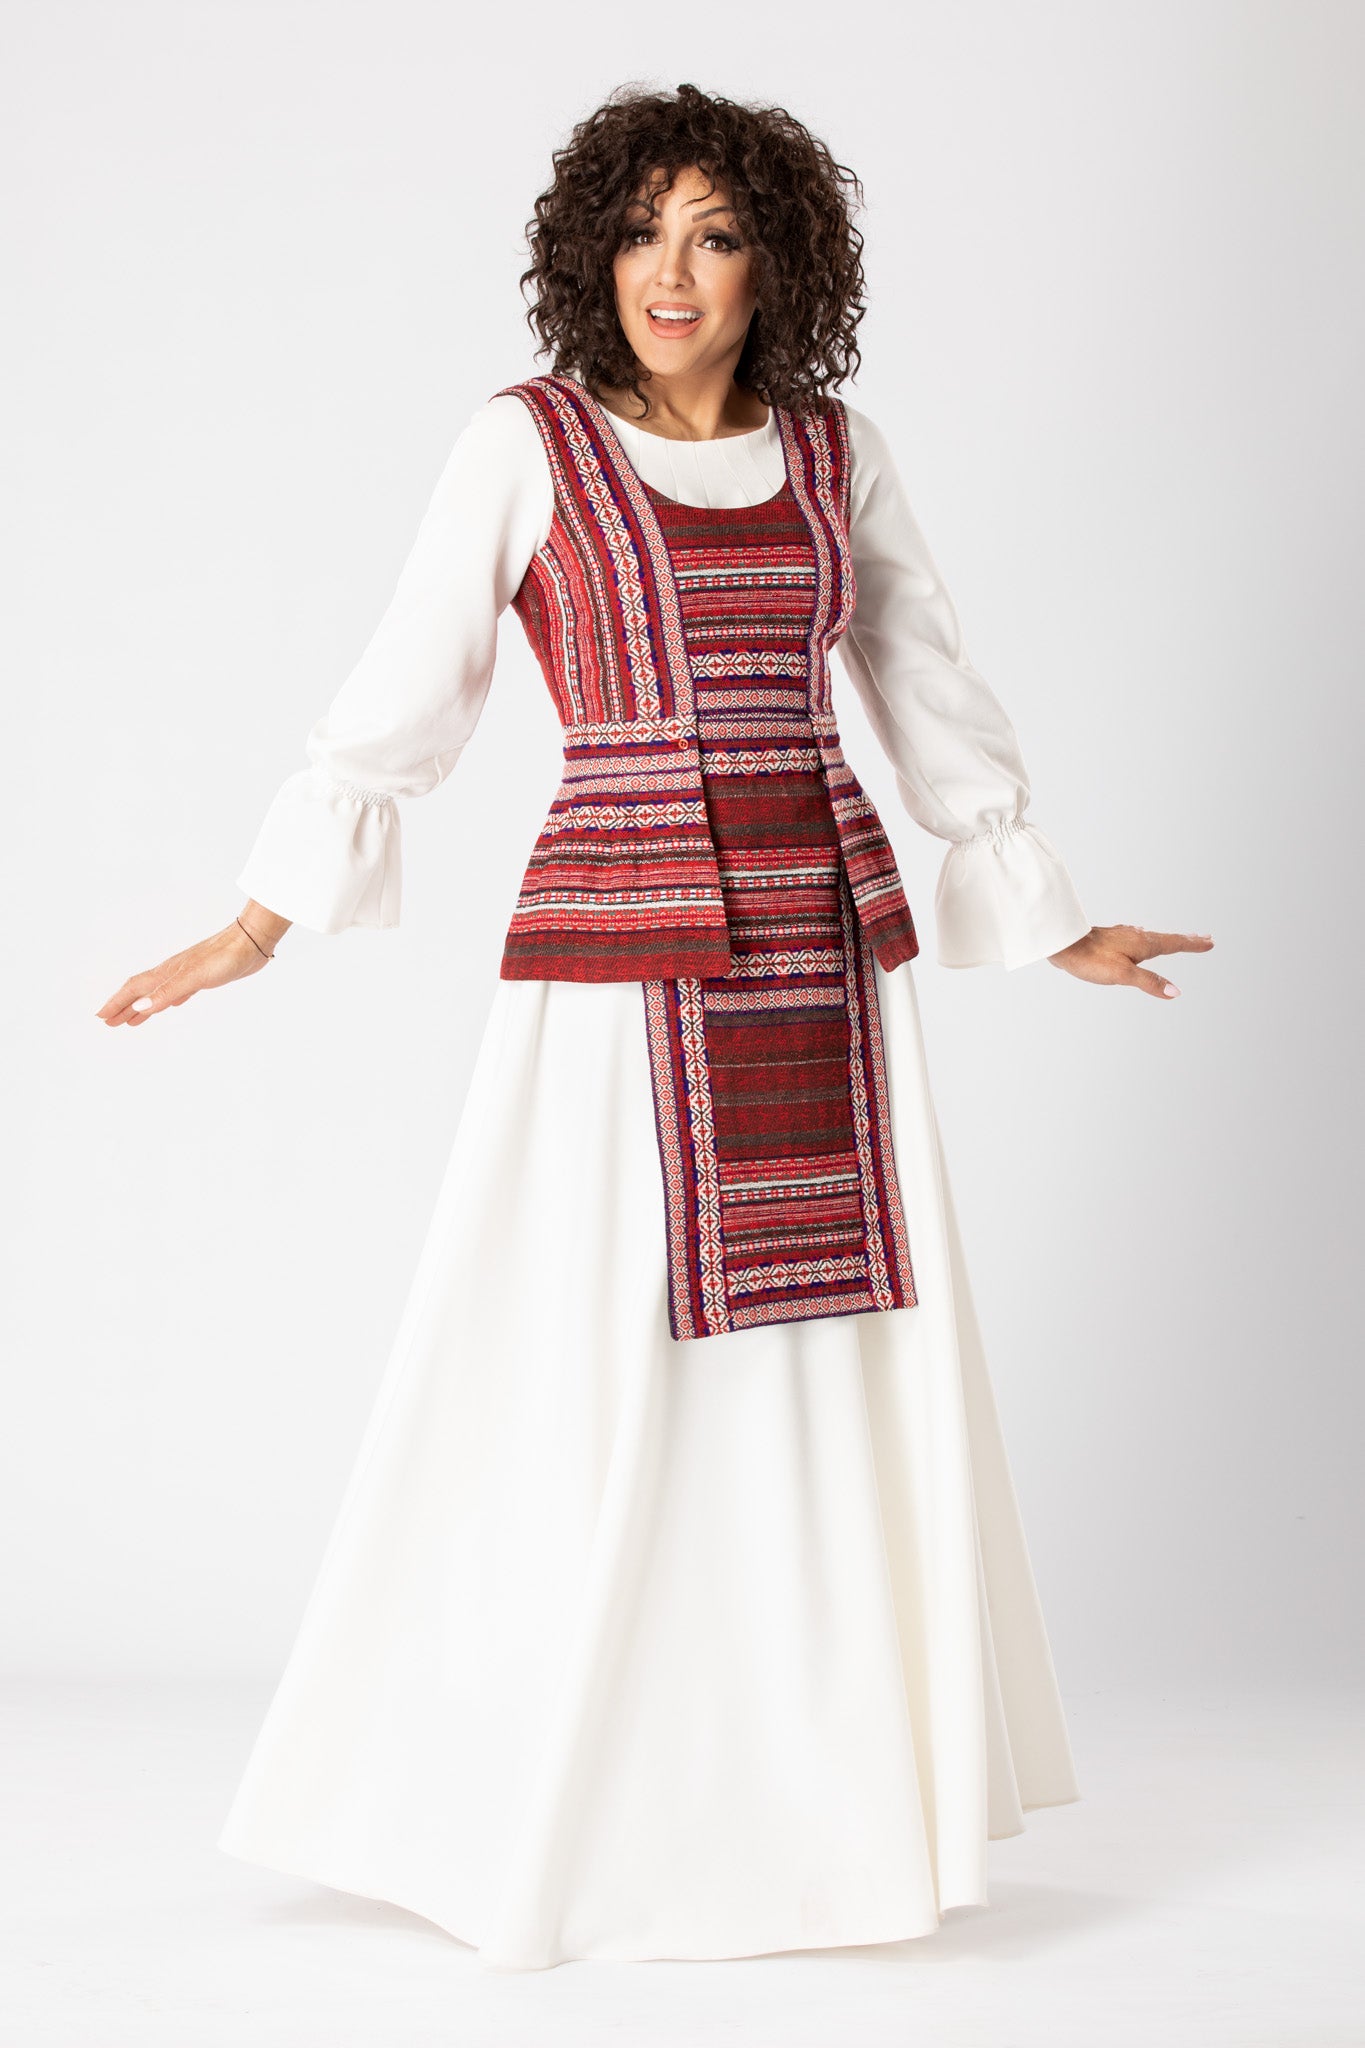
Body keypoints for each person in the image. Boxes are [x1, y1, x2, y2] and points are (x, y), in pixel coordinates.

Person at [97, 82, 1212, 1970]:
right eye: (637, 233)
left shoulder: (836, 454)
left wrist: (1044, 913)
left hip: (817, 960)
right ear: (588, 258)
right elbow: (406, 693)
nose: (670, 274)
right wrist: (258, 924)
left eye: (713, 233)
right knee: (592, 1348)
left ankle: (812, 1805)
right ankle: (565, 1795)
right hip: (620, 965)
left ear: (778, 262)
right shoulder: (522, 445)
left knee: (827, 1354)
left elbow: (925, 683)